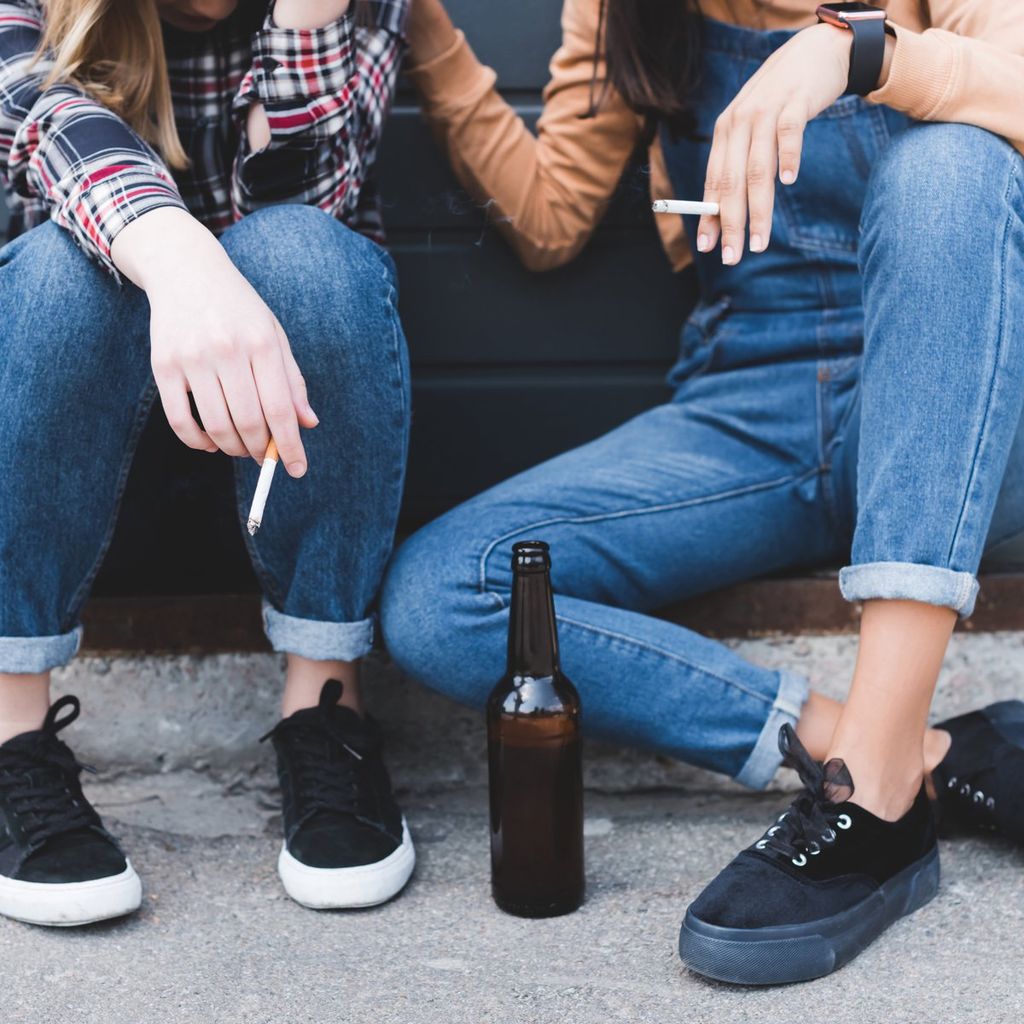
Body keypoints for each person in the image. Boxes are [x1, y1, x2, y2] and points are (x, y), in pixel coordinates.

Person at [380, 0, 1024, 984]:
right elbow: (550, 217)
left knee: (949, 167)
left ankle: (874, 796)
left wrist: (853, 53)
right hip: (752, 399)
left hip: (959, 395)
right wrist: (415, 22)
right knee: (445, 592)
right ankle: (890, 743)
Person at [0, 0, 414, 927]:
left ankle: (326, 706)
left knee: (306, 253)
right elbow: (41, 116)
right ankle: (8, 729)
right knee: (62, 270)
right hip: (66, 410)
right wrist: (184, 260)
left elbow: (321, 202)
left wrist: (309, 17)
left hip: (284, 428)